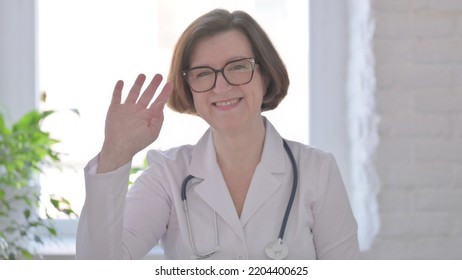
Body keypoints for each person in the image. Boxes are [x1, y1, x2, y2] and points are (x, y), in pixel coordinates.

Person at [76, 8, 359, 260]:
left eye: (237, 67)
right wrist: (115, 152)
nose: (221, 87)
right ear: (189, 89)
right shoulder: (168, 176)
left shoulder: (318, 171)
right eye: (202, 73)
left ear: (265, 74)